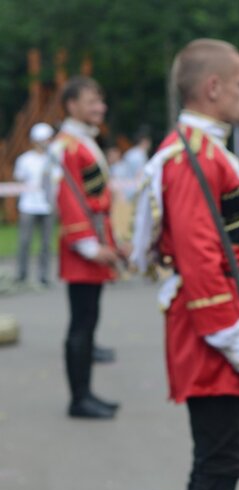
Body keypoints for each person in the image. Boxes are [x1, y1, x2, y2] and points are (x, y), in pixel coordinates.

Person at [131, 38, 239, 490]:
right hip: (211, 335)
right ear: (212, 89)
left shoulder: (204, 152)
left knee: (219, 467)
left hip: (220, 328)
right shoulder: (190, 159)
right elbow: (200, 269)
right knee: (216, 469)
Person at [51, 76, 124, 419]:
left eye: (100, 101)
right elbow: (69, 201)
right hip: (83, 248)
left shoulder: (80, 142)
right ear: (72, 106)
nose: (100, 107)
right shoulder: (69, 146)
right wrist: (90, 247)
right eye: (92, 101)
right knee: (81, 322)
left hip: (92, 243)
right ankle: (79, 398)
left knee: (88, 320)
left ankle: (85, 393)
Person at [14, 123, 56, 286]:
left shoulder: (53, 159)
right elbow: (19, 179)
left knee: (46, 243)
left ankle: (43, 276)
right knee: (24, 241)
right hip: (28, 206)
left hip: (47, 206)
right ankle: (22, 274)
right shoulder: (25, 159)